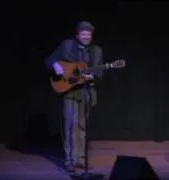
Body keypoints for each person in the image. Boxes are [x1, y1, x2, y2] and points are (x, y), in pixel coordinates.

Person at [45, 21, 104, 172]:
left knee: (82, 126)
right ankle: (69, 160)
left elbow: (98, 72)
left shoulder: (96, 50)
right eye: (83, 34)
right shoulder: (66, 45)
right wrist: (56, 67)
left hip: (85, 91)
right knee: (70, 126)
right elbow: (50, 60)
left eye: (88, 35)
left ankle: (80, 159)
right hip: (69, 91)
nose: (86, 37)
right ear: (77, 35)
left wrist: (93, 76)